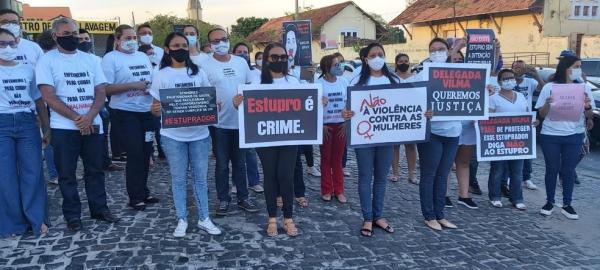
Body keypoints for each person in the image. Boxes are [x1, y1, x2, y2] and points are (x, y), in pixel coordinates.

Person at [37, 17, 119, 231]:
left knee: (95, 170)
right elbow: (49, 96)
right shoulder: (47, 61)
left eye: (74, 33)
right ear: (55, 36)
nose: (72, 38)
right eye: (66, 34)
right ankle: (73, 216)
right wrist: (77, 119)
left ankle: (99, 209)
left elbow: (100, 91)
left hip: (93, 123)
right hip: (64, 128)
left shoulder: (91, 60)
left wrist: (90, 116)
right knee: (67, 173)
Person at [150, 32, 221, 237]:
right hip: (173, 136)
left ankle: (204, 218)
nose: (180, 48)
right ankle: (181, 218)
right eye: (175, 45)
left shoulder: (198, 71)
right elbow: (154, 107)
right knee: (178, 178)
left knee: (200, 178)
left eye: (184, 45)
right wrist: (155, 110)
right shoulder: (161, 74)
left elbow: (208, 97)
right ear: (167, 49)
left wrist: (213, 104)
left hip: (199, 134)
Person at [233, 42, 300, 237]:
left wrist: (320, 101)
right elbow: (245, 108)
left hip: (290, 138)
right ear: (266, 60)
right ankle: (272, 218)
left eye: (283, 57)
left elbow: (307, 104)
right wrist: (237, 104)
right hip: (265, 138)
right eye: (274, 57)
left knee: (286, 176)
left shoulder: (294, 82)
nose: (279, 60)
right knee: (270, 176)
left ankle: (288, 218)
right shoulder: (255, 83)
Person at [342, 43, 403, 237]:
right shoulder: (356, 81)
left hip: (386, 137)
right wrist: (346, 113)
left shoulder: (394, 80)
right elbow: (347, 108)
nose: (377, 58)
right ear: (365, 59)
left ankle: (378, 215)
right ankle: (367, 217)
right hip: (364, 137)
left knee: (381, 178)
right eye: (373, 55)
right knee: (365, 177)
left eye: (380, 54)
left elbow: (404, 105)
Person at [199, 28, 259, 216]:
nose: (220, 44)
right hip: (219, 125)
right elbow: (201, 94)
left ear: (229, 40)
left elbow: (251, 87)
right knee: (222, 164)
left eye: (223, 39)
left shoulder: (241, 62)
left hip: (241, 122)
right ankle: (223, 199)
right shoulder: (205, 66)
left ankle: (243, 197)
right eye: (215, 41)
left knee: (240, 163)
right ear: (209, 44)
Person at [102, 24, 158, 211]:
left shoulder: (142, 56)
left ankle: (144, 190)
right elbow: (106, 88)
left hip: (146, 110)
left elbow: (151, 79)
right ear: (117, 40)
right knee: (134, 153)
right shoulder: (110, 58)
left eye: (134, 37)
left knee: (146, 152)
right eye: (127, 38)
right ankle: (134, 196)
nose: (132, 41)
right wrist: (132, 85)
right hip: (124, 112)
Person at [0, 28, 49, 237]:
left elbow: (39, 101)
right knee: (5, 176)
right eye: (2, 44)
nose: (8, 48)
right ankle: (12, 224)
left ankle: (37, 220)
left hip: (27, 122)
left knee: (33, 172)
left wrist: (46, 128)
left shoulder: (28, 69)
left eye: (11, 43)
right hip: (1, 123)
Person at [536, 55, 595, 220]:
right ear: (565, 68)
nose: (579, 70)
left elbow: (590, 114)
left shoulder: (584, 88)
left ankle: (567, 204)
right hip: (550, 134)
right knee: (552, 169)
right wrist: (548, 103)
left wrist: (587, 105)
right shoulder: (549, 87)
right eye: (576, 66)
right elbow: (541, 114)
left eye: (580, 66)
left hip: (574, 135)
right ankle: (549, 202)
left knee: (569, 170)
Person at [414, 38, 460, 231]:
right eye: (432, 50)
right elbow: (412, 100)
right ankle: (429, 214)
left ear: (448, 51)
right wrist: (423, 110)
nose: (437, 53)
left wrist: (486, 90)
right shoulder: (421, 75)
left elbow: (471, 94)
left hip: (453, 132)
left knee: (443, 174)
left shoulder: (460, 73)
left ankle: (440, 214)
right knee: (429, 174)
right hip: (431, 132)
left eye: (440, 49)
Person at [79, 28, 123, 173]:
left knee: (102, 134)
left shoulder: (98, 60)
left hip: (100, 103)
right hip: (80, 103)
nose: (84, 42)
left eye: (86, 39)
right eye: (80, 39)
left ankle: (104, 161)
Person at [488, 69, 530, 210]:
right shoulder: (493, 99)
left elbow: (527, 115)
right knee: (497, 169)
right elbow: (488, 119)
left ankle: (517, 198)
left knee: (517, 171)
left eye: (511, 78)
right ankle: (495, 196)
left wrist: (533, 123)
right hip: (499, 140)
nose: (509, 80)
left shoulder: (521, 96)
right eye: (505, 78)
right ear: (499, 82)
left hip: (518, 141)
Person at [232, 42, 263, 193]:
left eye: (245, 51)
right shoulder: (231, 69)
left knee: (250, 153)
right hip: (231, 118)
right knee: (234, 155)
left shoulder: (253, 73)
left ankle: (254, 181)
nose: (243, 54)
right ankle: (235, 183)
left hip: (250, 118)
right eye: (239, 52)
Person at [318, 54, 347, 203]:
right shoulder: (318, 83)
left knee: (338, 159)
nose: (339, 66)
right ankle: (326, 189)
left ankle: (339, 190)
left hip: (341, 125)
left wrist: (346, 123)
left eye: (340, 64)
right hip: (325, 127)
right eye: (336, 64)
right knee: (325, 159)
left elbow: (350, 103)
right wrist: (320, 125)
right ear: (327, 67)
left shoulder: (343, 82)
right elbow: (312, 107)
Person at [511, 60, 545, 190]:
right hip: (510, 119)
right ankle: (509, 176)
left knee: (527, 150)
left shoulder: (530, 82)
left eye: (520, 68)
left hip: (526, 118)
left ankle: (526, 178)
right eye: (515, 67)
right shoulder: (508, 81)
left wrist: (536, 75)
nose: (518, 70)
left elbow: (544, 88)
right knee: (511, 149)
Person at [390, 53, 418, 184]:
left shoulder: (416, 78)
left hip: (410, 116)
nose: (404, 63)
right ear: (396, 64)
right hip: (395, 115)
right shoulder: (391, 78)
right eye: (401, 61)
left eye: (406, 61)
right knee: (394, 146)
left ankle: (411, 174)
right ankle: (395, 173)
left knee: (411, 146)